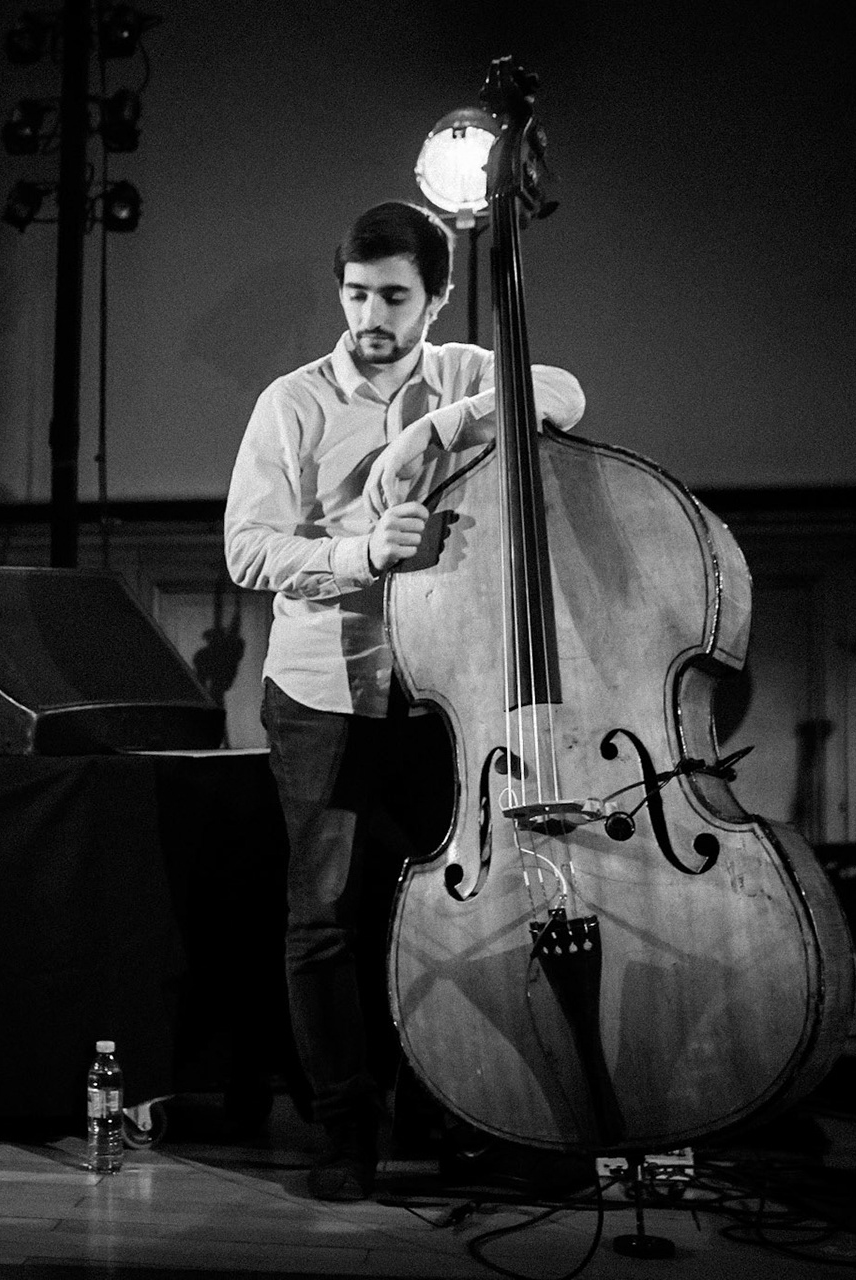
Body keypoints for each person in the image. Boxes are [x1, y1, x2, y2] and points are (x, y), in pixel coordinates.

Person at [223, 201, 584, 1201]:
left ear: (437, 294)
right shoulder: (291, 402)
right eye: (355, 293)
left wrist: (443, 423)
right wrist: (358, 551)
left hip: (442, 687)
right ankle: (344, 1125)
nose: (369, 315)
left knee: (458, 904)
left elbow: (562, 391)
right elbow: (249, 548)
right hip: (324, 688)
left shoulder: (468, 370)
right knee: (326, 912)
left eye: (393, 295)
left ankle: (460, 1109)